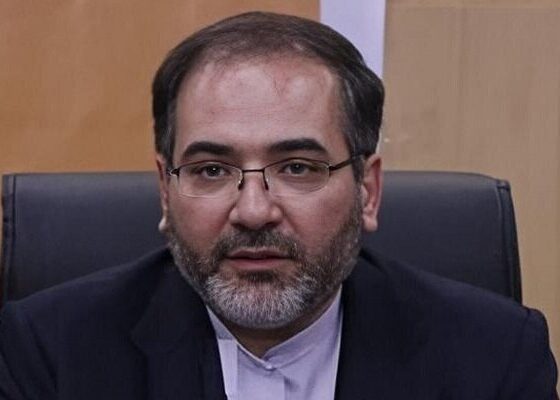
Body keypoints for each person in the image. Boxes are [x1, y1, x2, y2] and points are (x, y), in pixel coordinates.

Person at [0, 11, 557, 400]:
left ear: (367, 191)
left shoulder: (495, 358)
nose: (253, 211)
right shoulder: (48, 354)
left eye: (297, 168)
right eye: (211, 170)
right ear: (165, 191)